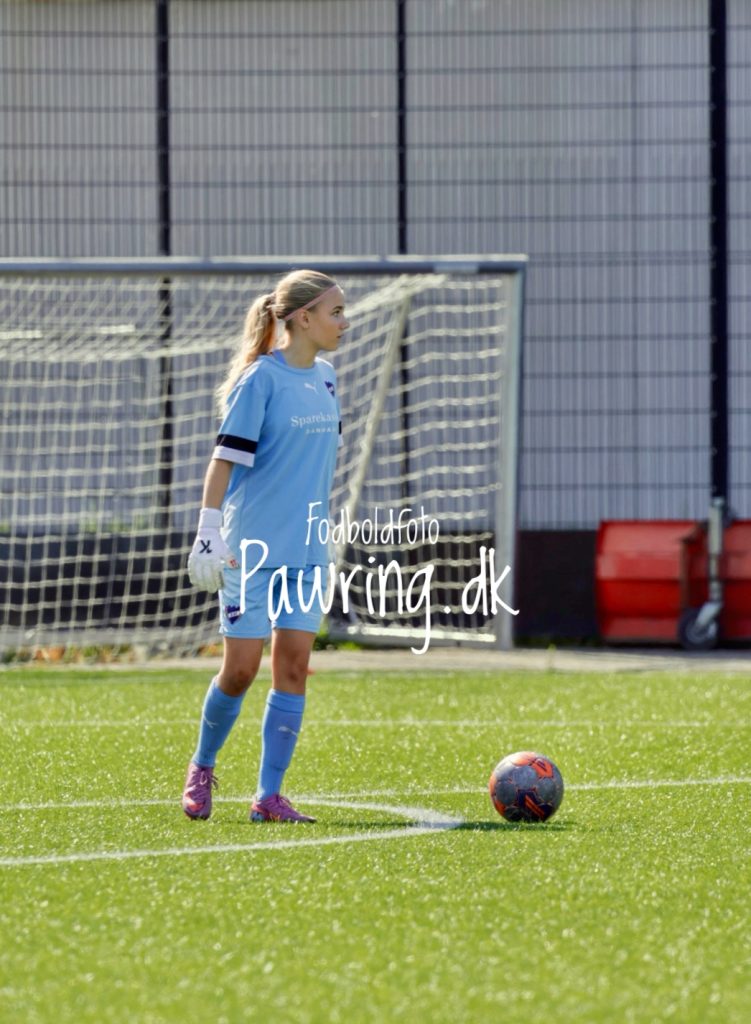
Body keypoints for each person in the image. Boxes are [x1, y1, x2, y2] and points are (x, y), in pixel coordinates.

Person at [182, 269, 348, 823]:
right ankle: (202, 765)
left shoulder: (327, 378)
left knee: (294, 668)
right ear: (304, 318)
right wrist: (209, 530)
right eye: (335, 312)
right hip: (249, 553)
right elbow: (224, 460)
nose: (344, 323)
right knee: (240, 670)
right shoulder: (260, 380)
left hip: (307, 552)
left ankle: (268, 797)